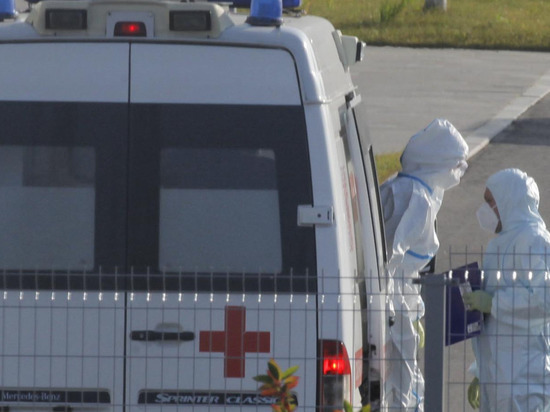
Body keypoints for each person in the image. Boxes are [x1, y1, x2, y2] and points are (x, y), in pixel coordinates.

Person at [380, 118, 469, 411]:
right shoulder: (414, 198)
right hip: (394, 301)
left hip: (403, 298)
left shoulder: (414, 190)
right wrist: (391, 311)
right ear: (437, 163)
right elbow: (391, 257)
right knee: (400, 381)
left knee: (405, 377)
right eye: (456, 164)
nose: (459, 171)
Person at [465, 169, 550, 412]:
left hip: (526, 376)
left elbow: (545, 300)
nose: (485, 209)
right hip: (498, 374)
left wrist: (493, 303)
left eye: (489, 201)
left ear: (508, 200)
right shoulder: (499, 245)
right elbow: (493, 324)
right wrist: (480, 371)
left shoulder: (535, 240)